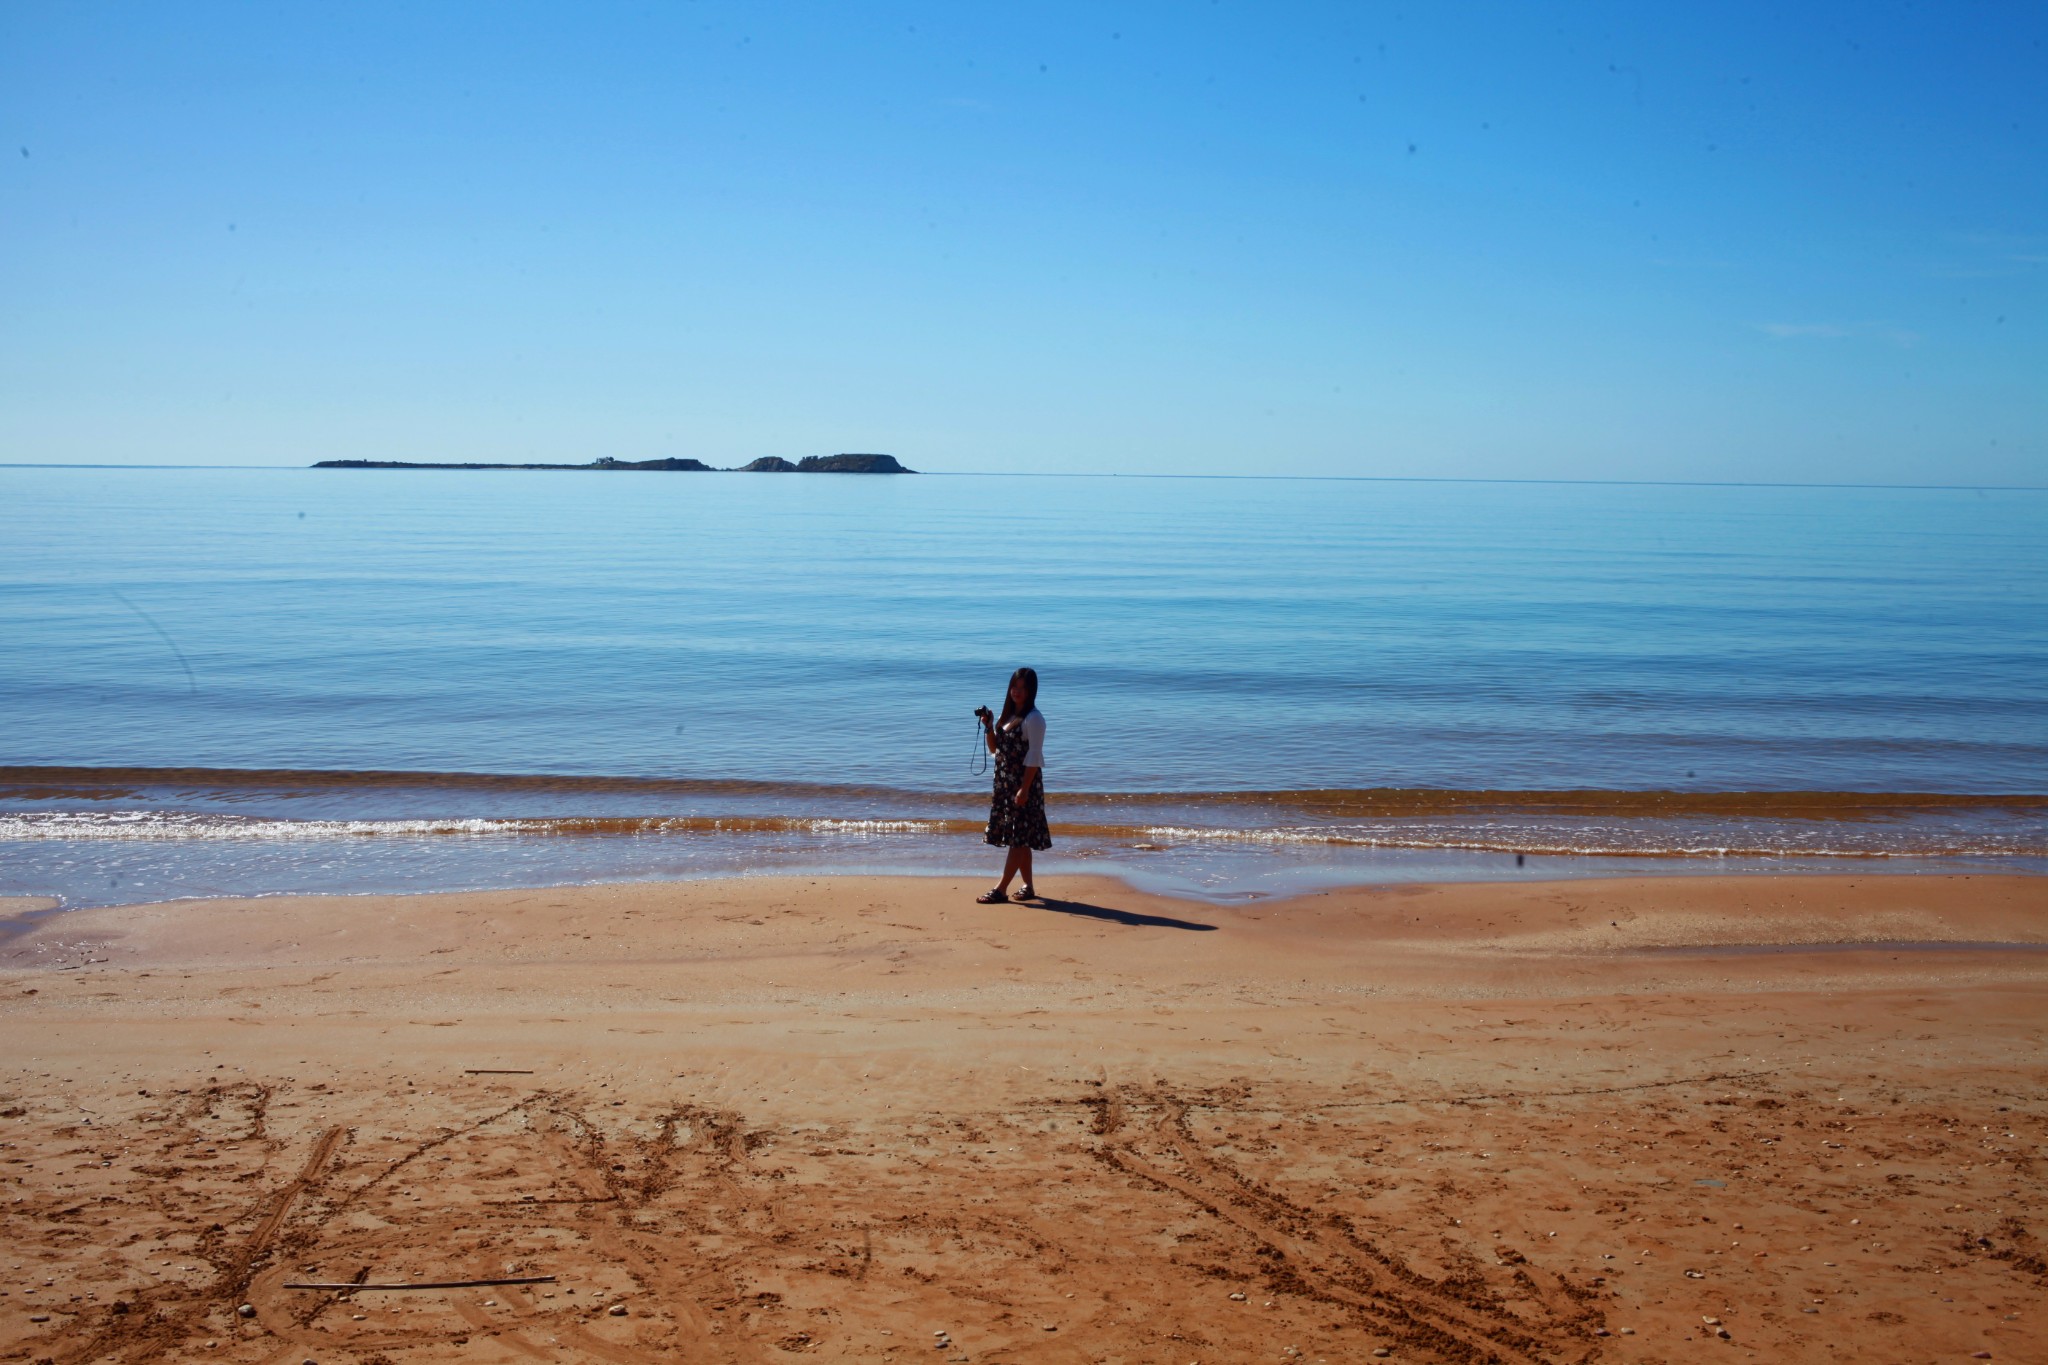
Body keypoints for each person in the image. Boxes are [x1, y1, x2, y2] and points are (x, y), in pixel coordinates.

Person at [976, 666, 1050, 902]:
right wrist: (989, 726)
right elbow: (994, 748)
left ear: (1031, 691)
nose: (1016, 692)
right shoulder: (1006, 716)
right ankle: (1028, 887)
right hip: (1005, 786)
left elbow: (1034, 758)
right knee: (1021, 838)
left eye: (1022, 688)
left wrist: (1024, 789)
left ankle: (1001, 889)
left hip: (1023, 786)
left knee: (1018, 840)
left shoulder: (1034, 719)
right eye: (1014, 687)